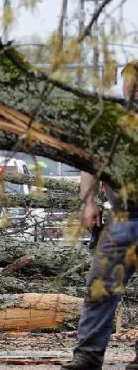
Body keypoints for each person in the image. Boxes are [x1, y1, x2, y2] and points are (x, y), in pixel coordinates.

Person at [62, 63, 138, 370]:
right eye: (130, 84)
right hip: (121, 218)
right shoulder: (110, 123)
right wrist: (88, 203)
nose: (134, 90)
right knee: (100, 289)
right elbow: (89, 163)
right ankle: (87, 357)